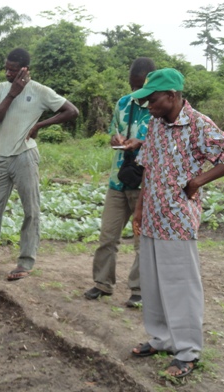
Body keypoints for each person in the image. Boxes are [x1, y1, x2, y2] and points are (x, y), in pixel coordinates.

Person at [130, 68, 224, 378]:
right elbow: (148, 168)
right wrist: (139, 208)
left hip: (178, 218)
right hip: (152, 216)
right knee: (152, 284)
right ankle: (162, 339)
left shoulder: (198, 125)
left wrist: (196, 182)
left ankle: (188, 351)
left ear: (172, 96)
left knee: (180, 286)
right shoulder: (155, 124)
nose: (148, 106)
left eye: (152, 100)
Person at [0, 48, 79, 280]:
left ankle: (25, 263)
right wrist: (12, 94)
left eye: (13, 70)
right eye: (6, 68)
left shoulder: (39, 91)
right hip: (2, 158)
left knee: (31, 211)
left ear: (25, 70)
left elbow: (72, 111)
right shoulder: (1, 89)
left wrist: (40, 125)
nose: (8, 72)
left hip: (25, 156)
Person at [84, 58, 156, 307]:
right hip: (118, 180)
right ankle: (102, 284)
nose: (136, 92)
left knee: (141, 241)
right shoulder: (123, 103)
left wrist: (141, 143)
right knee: (107, 235)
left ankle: (139, 290)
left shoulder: (160, 107)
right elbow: (113, 133)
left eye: (140, 87)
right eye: (132, 86)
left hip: (145, 184)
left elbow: (167, 144)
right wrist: (116, 139)